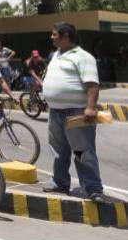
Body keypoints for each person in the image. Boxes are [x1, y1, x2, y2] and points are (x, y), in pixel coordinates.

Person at [42, 22, 106, 202]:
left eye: (54, 34)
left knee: (82, 151)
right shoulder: (56, 55)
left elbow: (92, 84)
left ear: (66, 36)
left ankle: (93, 188)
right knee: (58, 150)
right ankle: (60, 183)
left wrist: (91, 107)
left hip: (76, 112)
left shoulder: (83, 57)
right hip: (55, 112)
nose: (51, 37)